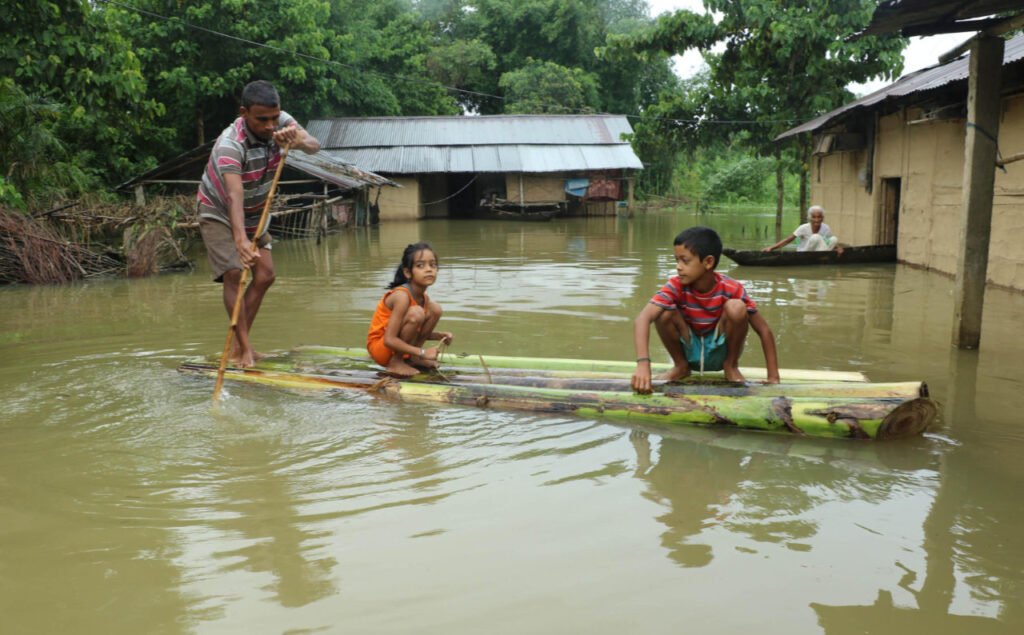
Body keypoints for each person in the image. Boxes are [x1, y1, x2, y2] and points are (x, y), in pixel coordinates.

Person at [197, 80, 321, 368]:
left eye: (274, 118)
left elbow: (314, 145)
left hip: (256, 210)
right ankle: (243, 348)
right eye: (261, 119)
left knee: (265, 275)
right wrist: (240, 241)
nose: (269, 126)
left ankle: (240, 347)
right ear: (244, 113)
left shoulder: (283, 122)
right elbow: (232, 195)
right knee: (233, 273)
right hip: (219, 211)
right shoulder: (231, 144)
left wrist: (297, 140)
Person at [631, 226, 779, 391]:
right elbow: (642, 319)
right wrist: (643, 364)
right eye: (677, 260)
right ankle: (681, 367)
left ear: (708, 262)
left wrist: (773, 378)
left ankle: (731, 366)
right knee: (663, 311)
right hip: (690, 349)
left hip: (720, 350)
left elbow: (764, 330)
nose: (678, 267)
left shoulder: (732, 288)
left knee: (736, 307)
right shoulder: (675, 285)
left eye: (685, 261)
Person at [367, 242, 454, 377]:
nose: (429, 269)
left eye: (433, 264)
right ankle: (396, 362)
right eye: (420, 265)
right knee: (416, 313)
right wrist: (424, 352)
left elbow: (411, 329)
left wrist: (438, 335)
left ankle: (414, 358)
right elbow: (389, 339)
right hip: (381, 349)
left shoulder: (424, 299)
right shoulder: (402, 296)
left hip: (396, 345)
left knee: (435, 309)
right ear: (407, 272)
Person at [763, 205, 843, 253]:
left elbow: (829, 242)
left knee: (834, 239)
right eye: (814, 217)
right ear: (809, 218)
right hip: (805, 252)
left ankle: (824, 256)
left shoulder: (826, 228)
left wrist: (837, 248)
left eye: (819, 217)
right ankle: (824, 256)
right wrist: (771, 248)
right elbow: (788, 240)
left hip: (820, 251)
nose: (816, 220)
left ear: (822, 218)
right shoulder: (803, 228)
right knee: (816, 237)